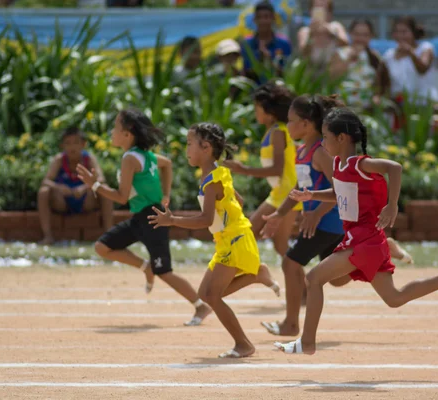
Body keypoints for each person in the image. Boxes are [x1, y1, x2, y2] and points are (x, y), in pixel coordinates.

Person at [274, 108, 438, 355]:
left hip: (364, 239)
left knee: (313, 278)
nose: (322, 142)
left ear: (341, 138)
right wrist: (312, 195)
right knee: (394, 298)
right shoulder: (338, 165)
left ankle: (307, 342)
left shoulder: (360, 163)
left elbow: (394, 168)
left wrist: (392, 204)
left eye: (326, 137)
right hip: (362, 239)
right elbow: (341, 194)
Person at [259, 95, 412, 337]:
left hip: (330, 222)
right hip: (332, 225)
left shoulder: (322, 153)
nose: (286, 125)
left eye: (290, 120)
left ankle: (291, 325)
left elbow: (341, 185)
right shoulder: (301, 152)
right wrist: (279, 214)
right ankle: (385, 246)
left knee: (290, 263)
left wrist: (317, 213)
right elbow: (301, 190)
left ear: (307, 124)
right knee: (337, 280)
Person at [148, 122, 281, 358]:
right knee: (206, 294)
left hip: (234, 241)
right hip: (230, 240)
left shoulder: (211, 180)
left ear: (206, 147)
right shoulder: (220, 173)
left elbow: (205, 219)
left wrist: (173, 220)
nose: (187, 149)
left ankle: (244, 344)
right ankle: (256, 275)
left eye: (190, 144)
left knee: (211, 296)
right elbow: (236, 202)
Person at [76, 108, 211, 327]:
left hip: (153, 218)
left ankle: (200, 305)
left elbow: (120, 197)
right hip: (141, 217)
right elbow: (167, 164)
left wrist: (95, 185)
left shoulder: (130, 158)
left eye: (115, 128)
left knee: (165, 272)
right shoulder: (145, 155)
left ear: (128, 134)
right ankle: (146, 267)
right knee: (102, 247)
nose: (111, 132)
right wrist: (166, 194)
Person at [222, 81, 301, 260]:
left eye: (257, 108)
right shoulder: (275, 131)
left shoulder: (278, 133)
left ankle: (302, 283)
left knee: (249, 233)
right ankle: (304, 284)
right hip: (282, 193)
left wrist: (243, 169)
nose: (255, 111)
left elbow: (277, 170)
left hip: (284, 193)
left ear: (270, 113)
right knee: (279, 246)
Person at [38, 127, 113, 245]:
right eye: (68, 143)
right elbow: (46, 181)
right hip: (62, 202)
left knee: (106, 190)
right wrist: (59, 188)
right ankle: (48, 236)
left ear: (83, 144)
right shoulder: (59, 160)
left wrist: (85, 188)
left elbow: (101, 179)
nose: (72, 147)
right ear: (62, 146)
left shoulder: (89, 159)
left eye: (76, 142)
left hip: (86, 201)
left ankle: (109, 237)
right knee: (43, 192)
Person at [329, 19, 390, 110]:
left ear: (371, 36)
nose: (360, 38)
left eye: (365, 35)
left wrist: (376, 97)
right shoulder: (340, 53)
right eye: (357, 34)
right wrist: (349, 59)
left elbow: (380, 83)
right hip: (343, 108)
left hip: (367, 109)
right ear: (350, 34)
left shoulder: (374, 56)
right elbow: (332, 78)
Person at [382, 16, 438, 104]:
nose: (400, 36)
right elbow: (384, 81)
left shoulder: (425, 48)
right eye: (396, 32)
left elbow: (422, 69)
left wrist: (411, 53)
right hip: (400, 105)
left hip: (424, 103)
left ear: (413, 33)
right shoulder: (389, 55)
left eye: (404, 32)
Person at [241, 1, 292, 83]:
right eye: (259, 17)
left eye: (266, 17)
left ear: (273, 18)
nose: (263, 21)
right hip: (253, 93)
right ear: (254, 19)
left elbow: (288, 75)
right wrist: (260, 61)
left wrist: (269, 61)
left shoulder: (284, 43)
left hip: (277, 92)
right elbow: (246, 76)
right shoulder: (247, 44)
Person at [297, 0, 348, 71]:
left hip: (333, 76)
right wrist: (311, 35)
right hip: (310, 78)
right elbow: (303, 53)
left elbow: (345, 44)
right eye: (317, 7)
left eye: (324, 8)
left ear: (330, 12)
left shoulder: (336, 27)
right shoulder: (305, 31)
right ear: (310, 11)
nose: (320, 10)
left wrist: (329, 31)